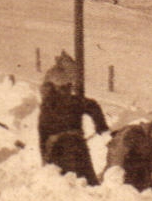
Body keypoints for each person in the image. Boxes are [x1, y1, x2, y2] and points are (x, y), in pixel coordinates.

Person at [37, 51, 109, 185]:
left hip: (66, 145)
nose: (68, 90)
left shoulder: (58, 102)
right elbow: (43, 130)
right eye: (66, 88)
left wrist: (101, 126)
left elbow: (43, 132)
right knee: (78, 181)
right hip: (65, 146)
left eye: (68, 87)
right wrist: (101, 126)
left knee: (72, 182)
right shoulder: (57, 103)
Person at [104, 119, 152, 191]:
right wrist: (115, 170)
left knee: (145, 171)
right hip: (123, 161)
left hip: (137, 165)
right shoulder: (133, 132)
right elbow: (117, 151)